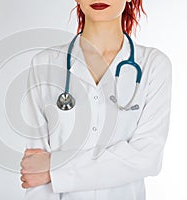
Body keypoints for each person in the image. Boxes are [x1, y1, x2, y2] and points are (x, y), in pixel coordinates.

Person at [20, 0, 172, 199]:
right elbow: (35, 170)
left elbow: (147, 157)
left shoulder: (153, 65)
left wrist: (54, 169)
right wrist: (46, 169)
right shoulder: (45, 64)